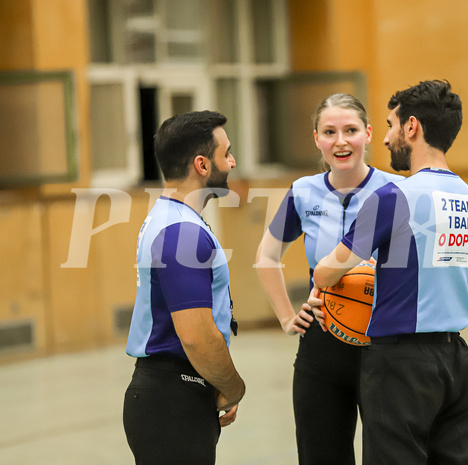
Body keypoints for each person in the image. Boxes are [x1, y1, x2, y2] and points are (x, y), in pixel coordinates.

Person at [312, 80, 468, 465]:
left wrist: (326, 283)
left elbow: (328, 270)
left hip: (401, 362)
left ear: (412, 127)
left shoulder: (396, 196)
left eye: (390, 126)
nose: (386, 139)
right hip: (456, 359)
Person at [256, 94, 403, 465]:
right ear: (316, 139)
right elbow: (266, 257)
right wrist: (288, 317)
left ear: (368, 134)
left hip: (383, 342)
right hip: (322, 344)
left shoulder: (396, 191)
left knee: (389, 456)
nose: (341, 141)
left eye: (350, 130)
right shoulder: (303, 192)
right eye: (330, 131)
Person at [123, 110, 246, 465]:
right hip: (172, 397)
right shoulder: (181, 232)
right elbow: (195, 335)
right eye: (227, 153)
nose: (233, 162)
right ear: (202, 165)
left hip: (172, 393)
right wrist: (234, 386)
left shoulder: (171, 218)